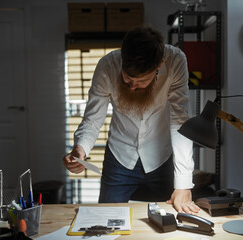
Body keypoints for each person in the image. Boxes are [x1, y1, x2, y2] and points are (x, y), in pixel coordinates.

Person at [62, 26, 200, 214]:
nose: (133, 86)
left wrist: (184, 183)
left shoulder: (175, 61)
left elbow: (180, 121)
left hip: (162, 157)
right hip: (119, 156)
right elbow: (93, 119)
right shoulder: (107, 66)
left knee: (167, 221)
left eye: (141, 81)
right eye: (127, 78)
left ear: (159, 65)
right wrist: (80, 148)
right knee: (105, 220)